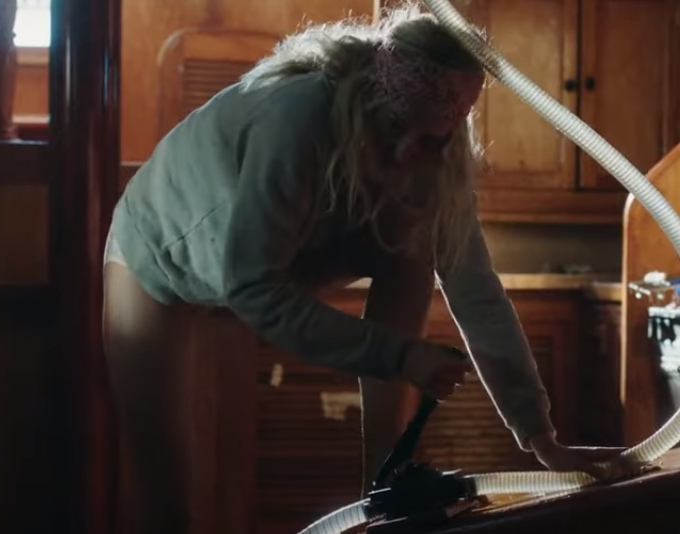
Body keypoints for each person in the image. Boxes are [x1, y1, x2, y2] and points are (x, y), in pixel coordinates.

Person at [103, 4, 623, 533]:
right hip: (159, 258)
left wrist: (541, 437)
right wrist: (399, 357)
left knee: (413, 252)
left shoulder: (439, 159)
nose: (404, 152)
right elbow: (253, 286)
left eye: (426, 140)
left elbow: (474, 289)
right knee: (168, 499)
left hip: (251, 274)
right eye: (392, 127)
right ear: (368, 100)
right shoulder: (299, 115)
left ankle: (382, 480)